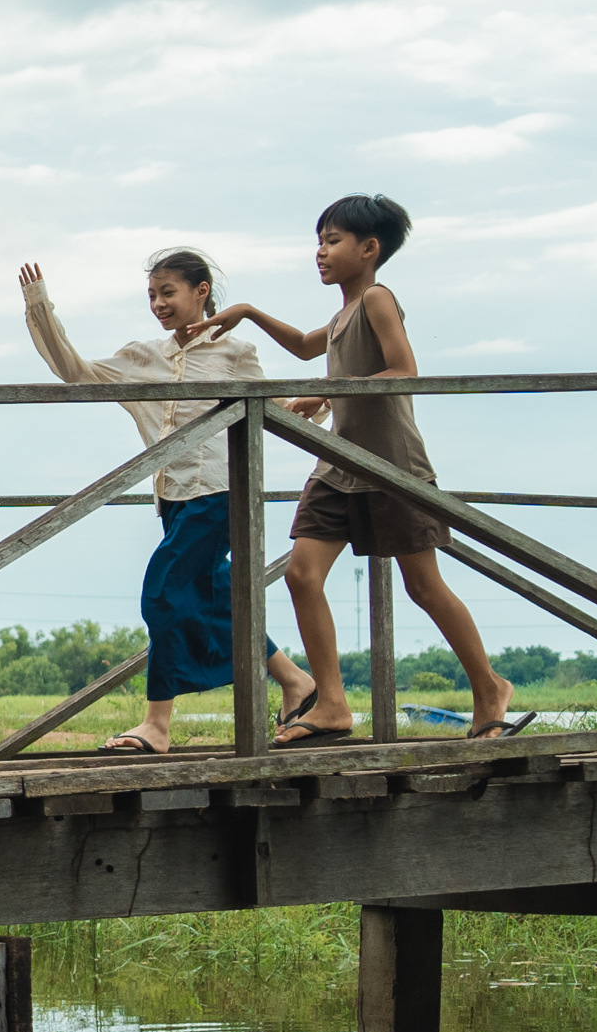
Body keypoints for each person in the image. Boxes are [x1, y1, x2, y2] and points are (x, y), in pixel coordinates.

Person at [211, 196, 528, 746]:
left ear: (369, 248)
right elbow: (309, 348)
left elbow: (403, 370)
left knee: (424, 586)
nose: (321, 251)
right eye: (319, 241)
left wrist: (324, 392)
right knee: (301, 575)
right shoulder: (340, 317)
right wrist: (247, 313)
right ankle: (331, 703)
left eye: (332, 241)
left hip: (390, 466)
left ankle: (490, 688)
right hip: (339, 465)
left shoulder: (378, 299)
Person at [16, 246, 310, 751]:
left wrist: (316, 402)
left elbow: (278, 410)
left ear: (201, 292)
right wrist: (39, 306)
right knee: (217, 597)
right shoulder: (143, 358)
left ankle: (157, 724)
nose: (158, 303)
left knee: (163, 593)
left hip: (219, 493)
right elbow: (75, 371)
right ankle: (294, 680)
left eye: (167, 292)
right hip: (171, 498)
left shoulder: (234, 354)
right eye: (152, 295)